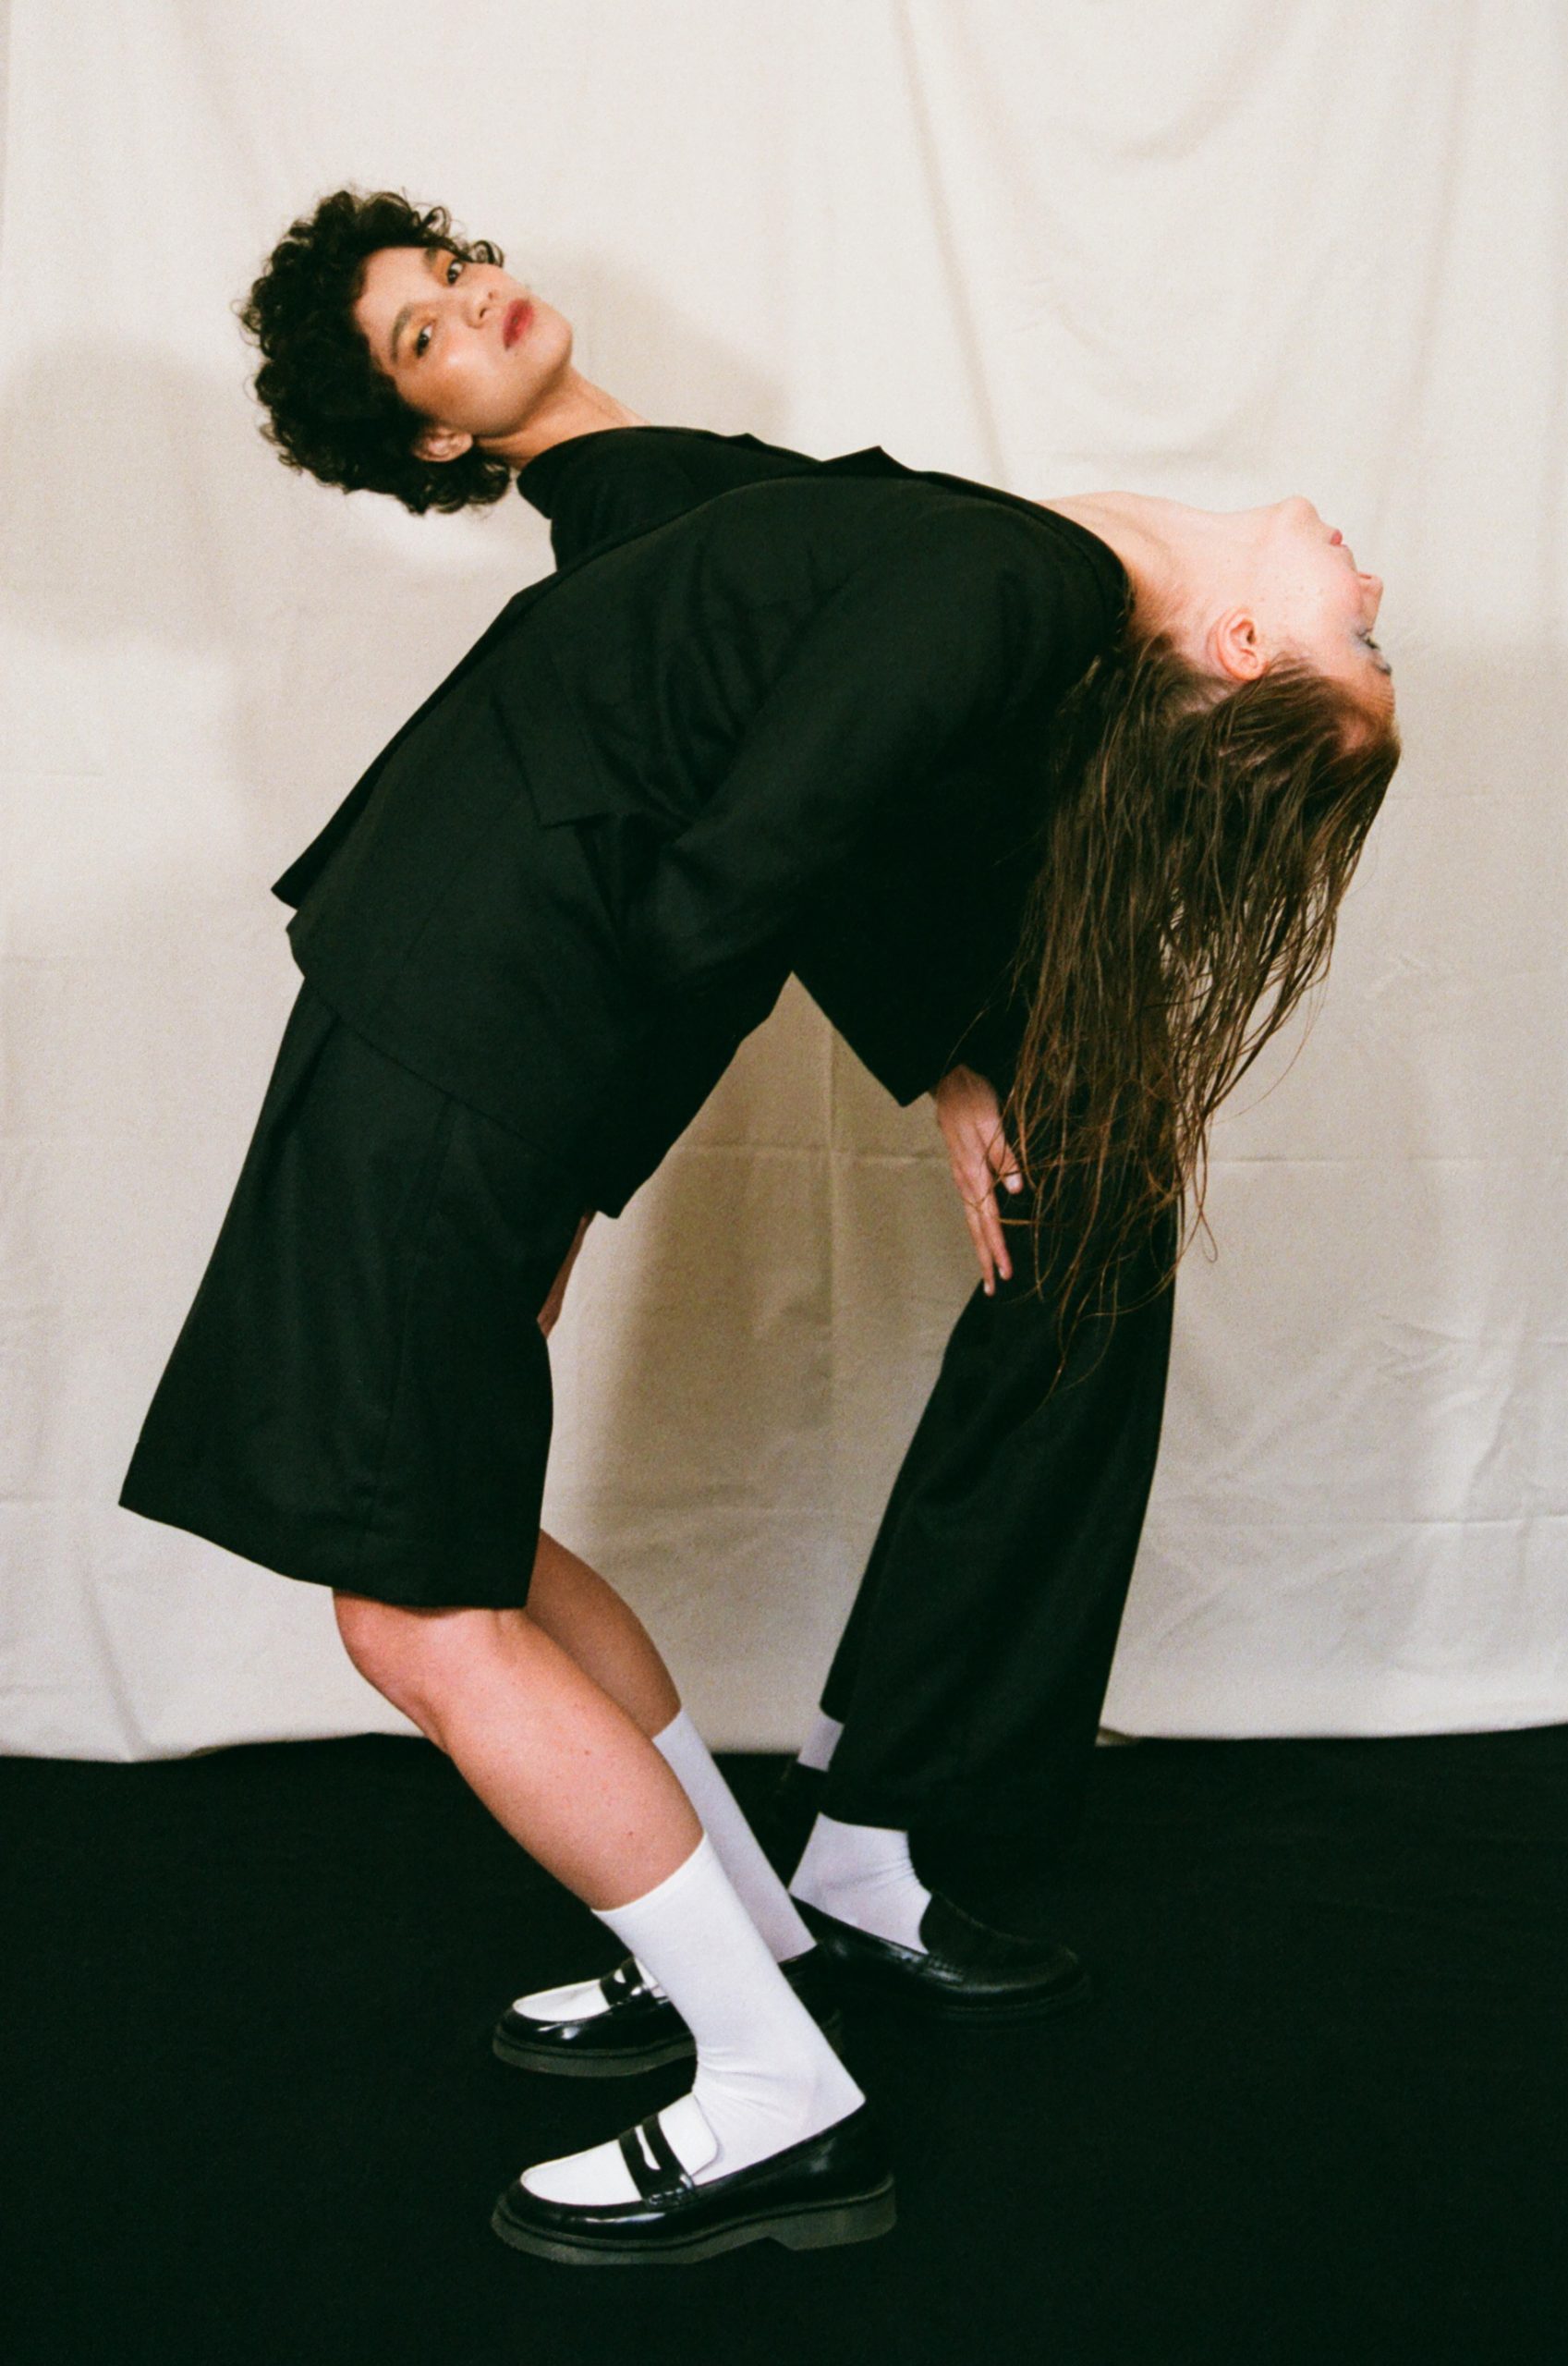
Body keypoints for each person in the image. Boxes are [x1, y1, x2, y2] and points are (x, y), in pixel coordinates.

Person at [120, 189, 1398, 2266]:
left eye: (1366, 638)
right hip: (451, 1016)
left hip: (463, 1029)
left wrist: (577, 1144)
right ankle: (740, 1946)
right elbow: (773, 832)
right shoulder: (1003, 568)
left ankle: (777, 2082)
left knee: (411, 1599)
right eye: (424, 326)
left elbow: (747, 870)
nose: (1373, 584)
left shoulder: (1012, 580)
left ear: (1244, 654)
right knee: (449, 1547)